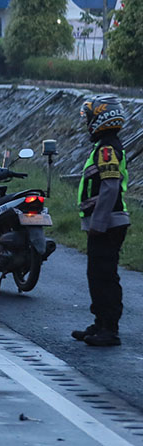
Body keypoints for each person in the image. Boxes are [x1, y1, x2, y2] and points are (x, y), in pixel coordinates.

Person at [71, 95, 130, 347]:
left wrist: (99, 222)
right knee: (96, 274)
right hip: (106, 222)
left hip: (108, 223)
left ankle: (109, 328)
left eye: (90, 118)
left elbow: (110, 187)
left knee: (105, 275)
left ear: (101, 119)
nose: (87, 124)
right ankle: (100, 323)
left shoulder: (107, 149)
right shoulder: (105, 146)